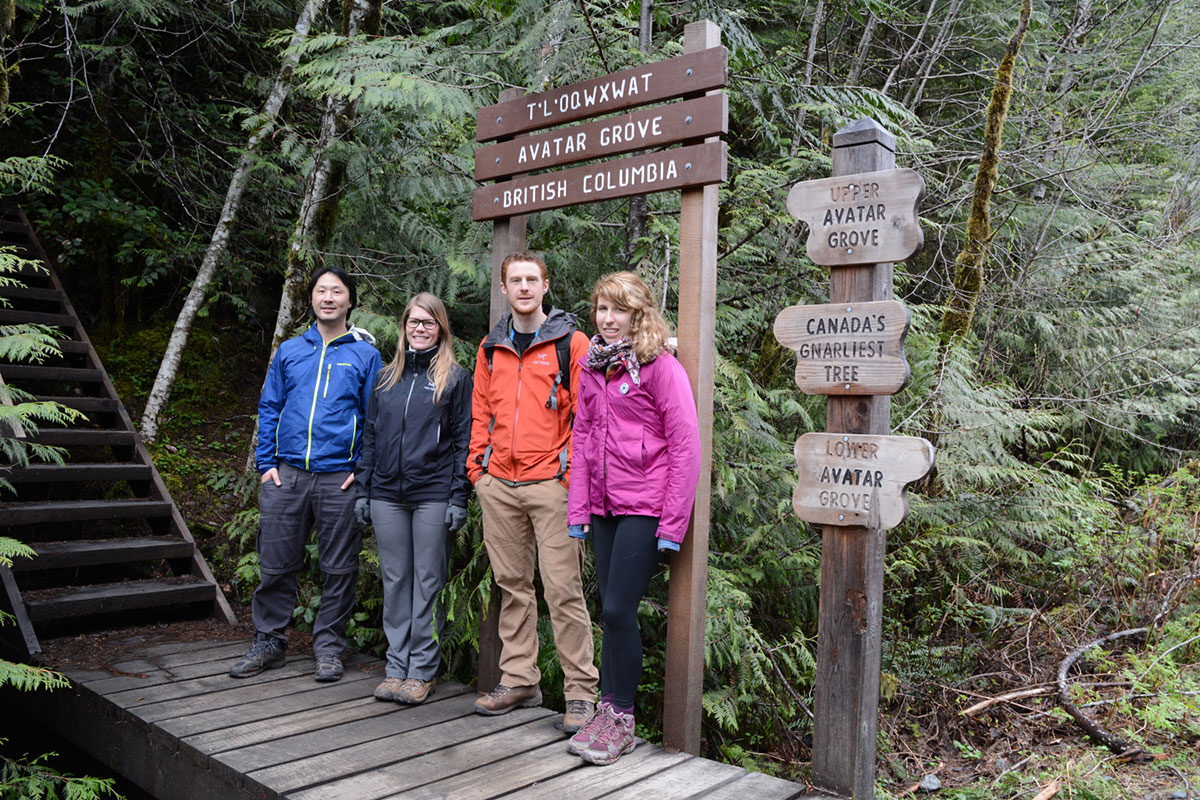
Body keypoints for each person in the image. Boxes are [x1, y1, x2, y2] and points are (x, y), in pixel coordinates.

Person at [564, 271, 701, 766]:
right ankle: (606, 710)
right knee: (610, 612)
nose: (608, 319)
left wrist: (672, 525)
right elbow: (582, 440)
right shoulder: (593, 366)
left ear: (639, 313)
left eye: (618, 309)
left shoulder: (660, 367)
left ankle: (621, 717)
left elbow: (686, 448)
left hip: (646, 505)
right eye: (602, 309)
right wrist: (578, 510)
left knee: (620, 610)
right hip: (602, 505)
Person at [467, 250, 599, 733]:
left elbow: (587, 416)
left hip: (551, 485)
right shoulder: (490, 346)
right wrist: (478, 470)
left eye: (532, 280)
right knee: (512, 587)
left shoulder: (572, 342)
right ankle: (520, 678)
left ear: (546, 286)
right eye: (515, 280)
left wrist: (568, 476)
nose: (523, 287)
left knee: (564, 591)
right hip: (498, 482)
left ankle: (581, 694)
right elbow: (481, 411)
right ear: (504, 289)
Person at [230, 266, 382, 683]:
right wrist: (266, 466)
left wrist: (360, 471)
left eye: (337, 291)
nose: (328, 297)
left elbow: (374, 420)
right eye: (321, 291)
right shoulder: (290, 351)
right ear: (311, 299)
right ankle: (269, 642)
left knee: (339, 569)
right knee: (276, 564)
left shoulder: (366, 355)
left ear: (350, 300)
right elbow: (269, 407)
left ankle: (329, 648)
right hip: (287, 475)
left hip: (339, 479)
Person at [353, 293, 472, 704]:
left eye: (428, 323)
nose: (419, 329)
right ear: (403, 327)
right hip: (387, 494)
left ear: (441, 329)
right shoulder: (386, 378)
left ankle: (422, 670)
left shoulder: (454, 378)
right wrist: (365, 489)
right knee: (396, 580)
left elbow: (463, 442)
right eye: (413, 322)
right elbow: (370, 437)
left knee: (427, 581)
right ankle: (395, 667)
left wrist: (459, 496)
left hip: (433, 494)